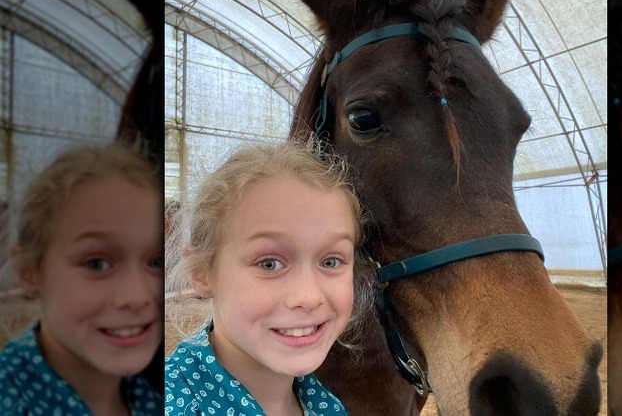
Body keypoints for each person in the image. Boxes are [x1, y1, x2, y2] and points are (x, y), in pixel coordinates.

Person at [165, 142, 371, 416]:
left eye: (330, 261)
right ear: (202, 272)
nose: (309, 298)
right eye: (269, 263)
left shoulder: (327, 406)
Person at [0, 144, 164, 415]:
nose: (137, 297)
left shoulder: (152, 394)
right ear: (30, 272)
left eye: (156, 261)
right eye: (97, 264)